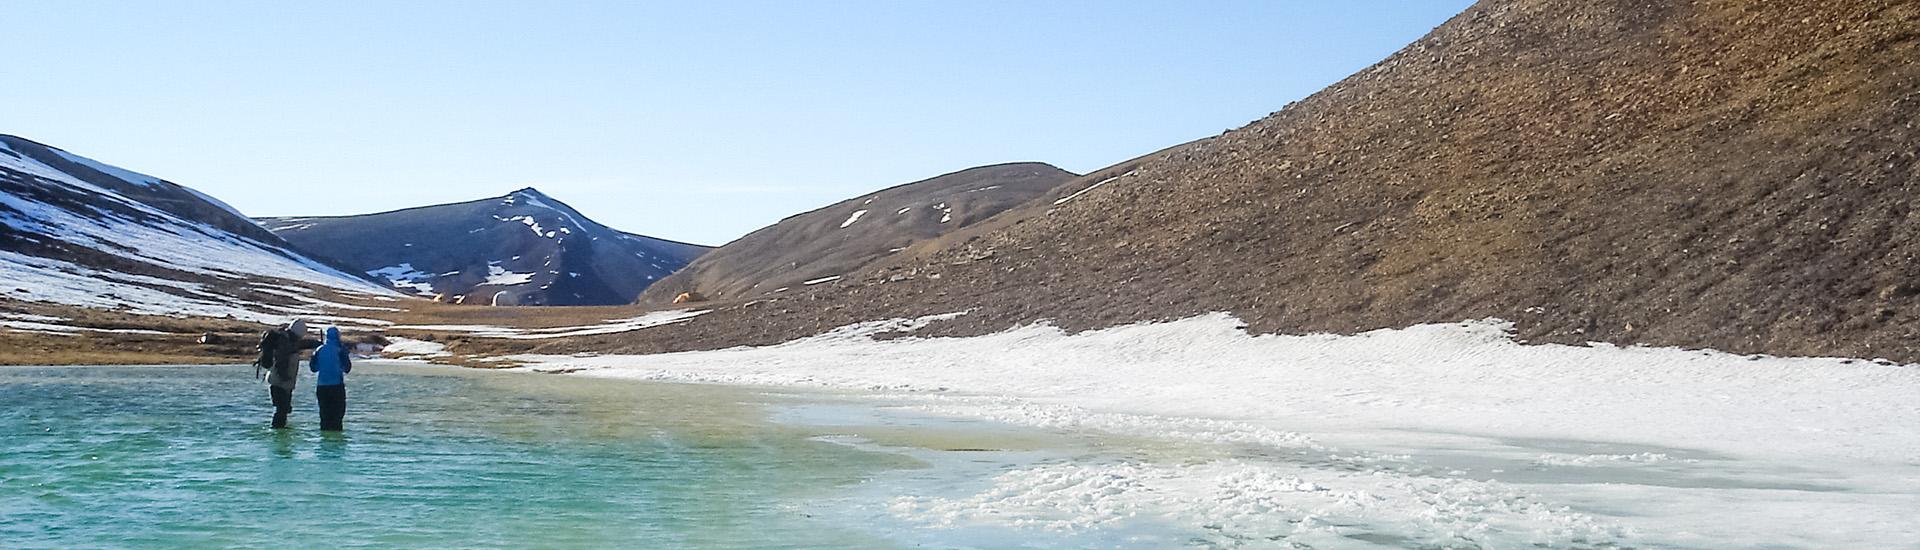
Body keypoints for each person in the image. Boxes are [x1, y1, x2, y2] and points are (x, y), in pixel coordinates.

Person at [256, 319, 319, 429]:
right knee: (282, 410)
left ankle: (278, 431)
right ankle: (277, 431)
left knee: (283, 410)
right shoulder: (286, 343)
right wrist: (285, 378)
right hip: (281, 382)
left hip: (280, 382)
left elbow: (300, 345)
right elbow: (283, 361)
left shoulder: (288, 340)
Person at [308, 327, 352, 431]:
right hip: (337, 387)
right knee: (337, 418)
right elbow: (347, 368)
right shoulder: (340, 350)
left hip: (322, 387)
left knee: (324, 417)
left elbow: (313, 368)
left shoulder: (319, 350)